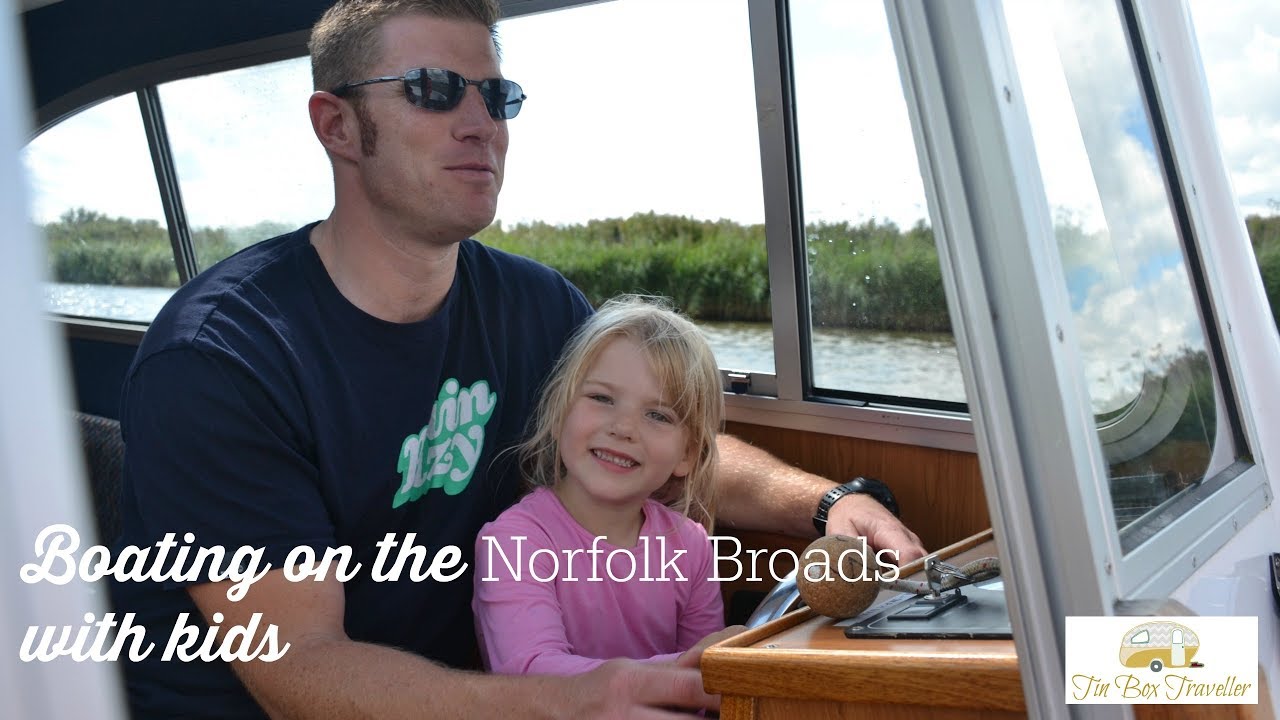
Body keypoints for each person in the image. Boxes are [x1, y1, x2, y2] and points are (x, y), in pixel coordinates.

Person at [110, 0, 925, 717]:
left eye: (496, 96)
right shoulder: (221, 360)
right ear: (336, 126)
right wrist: (570, 700)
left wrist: (824, 506)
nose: (481, 124)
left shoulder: (534, 307)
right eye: (433, 90)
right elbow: (302, 672)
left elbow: (650, 437)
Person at [474, 295, 733, 674]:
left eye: (657, 415)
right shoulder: (515, 542)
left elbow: (705, 693)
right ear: (560, 409)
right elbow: (533, 674)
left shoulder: (690, 546)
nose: (623, 428)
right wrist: (689, 667)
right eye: (601, 398)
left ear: (687, 455)